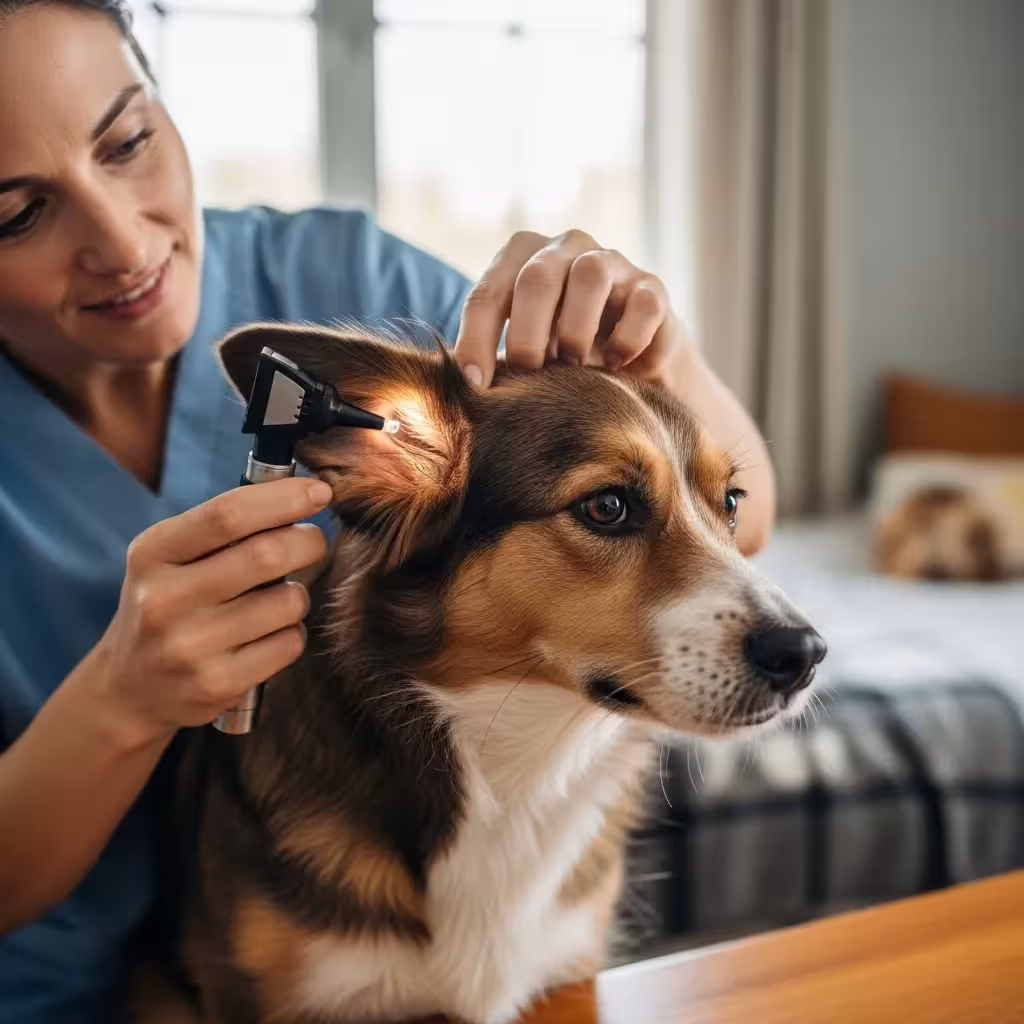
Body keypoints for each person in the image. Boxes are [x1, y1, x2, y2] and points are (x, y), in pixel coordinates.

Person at [0, 0, 777, 1019]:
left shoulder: (350, 280)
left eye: (129, 141)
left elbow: (738, 514)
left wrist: (660, 353)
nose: (120, 239)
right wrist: (123, 696)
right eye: (14, 212)